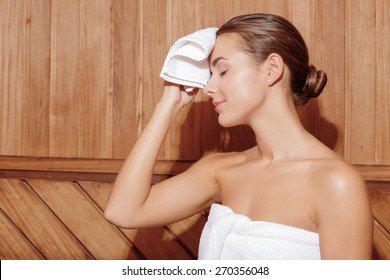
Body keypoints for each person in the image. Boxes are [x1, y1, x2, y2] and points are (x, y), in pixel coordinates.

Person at [104, 13, 373, 259]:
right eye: (210, 74)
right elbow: (123, 211)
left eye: (222, 71)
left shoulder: (336, 183)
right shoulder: (220, 170)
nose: (208, 87)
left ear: (271, 69)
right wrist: (168, 104)